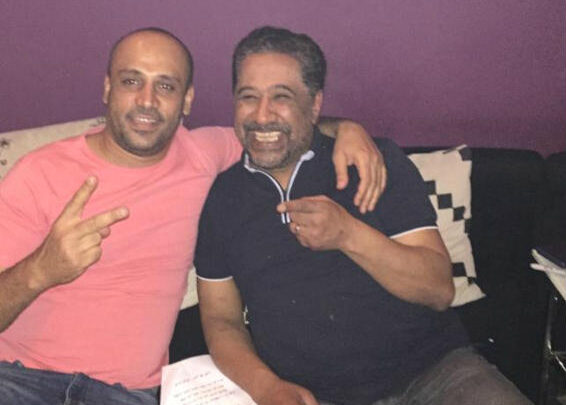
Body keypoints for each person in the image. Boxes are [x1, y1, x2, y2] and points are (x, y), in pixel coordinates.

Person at [0, 27, 385, 405]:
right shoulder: (39, 173)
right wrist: (40, 270)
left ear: (186, 101)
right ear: (107, 89)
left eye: (165, 86)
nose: (147, 101)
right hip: (8, 382)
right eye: (132, 81)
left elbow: (276, 129)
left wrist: (349, 129)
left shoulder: (204, 154)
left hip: (125, 393)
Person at [195, 26, 532, 405]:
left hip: (433, 374)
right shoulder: (222, 198)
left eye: (281, 97)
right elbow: (221, 319)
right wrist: (266, 387)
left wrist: (348, 235)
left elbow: (438, 290)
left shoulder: (373, 161)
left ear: (315, 105)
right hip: (312, 394)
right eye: (248, 97)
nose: (261, 115)